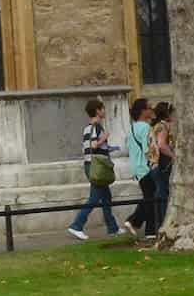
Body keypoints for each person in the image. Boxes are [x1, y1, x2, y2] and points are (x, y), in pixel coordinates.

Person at [68, 98, 121, 240]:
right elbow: (93, 145)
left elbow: (94, 147)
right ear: (97, 110)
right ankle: (76, 226)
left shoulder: (88, 127)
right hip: (96, 166)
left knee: (106, 198)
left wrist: (110, 148)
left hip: (92, 165)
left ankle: (113, 228)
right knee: (94, 198)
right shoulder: (96, 126)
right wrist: (104, 138)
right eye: (102, 108)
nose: (104, 111)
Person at [123, 99, 159, 238]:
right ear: (144, 111)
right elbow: (148, 149)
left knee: (150, 198)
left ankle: (150, 231)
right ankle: (134, 221)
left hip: (137, 168)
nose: (152, 110)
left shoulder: (132, 128)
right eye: (150, 107)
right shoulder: (145, 128)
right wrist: (155, 164)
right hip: (146, 168)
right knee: (151, 198)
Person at [152, 101, 176, 230]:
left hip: (156, 164)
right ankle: (162, 224)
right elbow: (161, 145)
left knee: (161, 192)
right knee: (162, 194)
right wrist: (173, 156)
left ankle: (160, 224)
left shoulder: (159, 125)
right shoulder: (163, 126)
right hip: (161, 164)